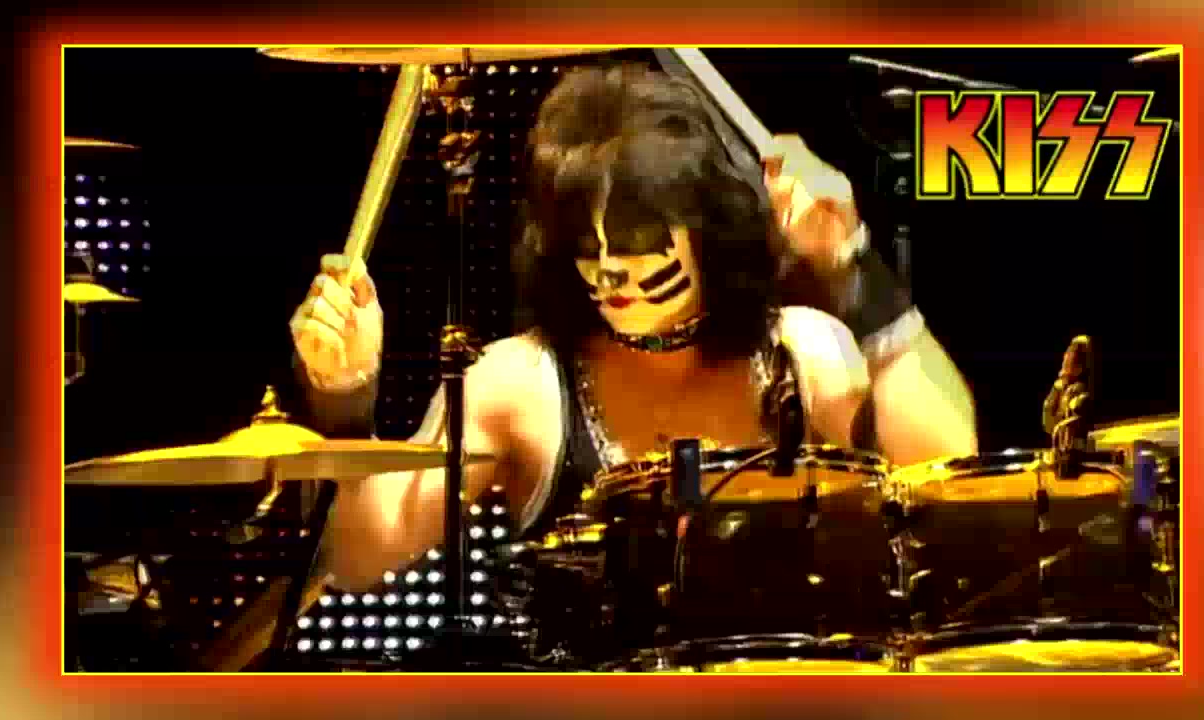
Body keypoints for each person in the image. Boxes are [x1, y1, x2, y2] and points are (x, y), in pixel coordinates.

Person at [289, 64, 977, 590]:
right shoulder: (518, 383)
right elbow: (357, 562)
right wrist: (346, 396)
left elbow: (947, 473)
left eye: (636, 234)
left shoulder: (799, 352)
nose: (611, 265)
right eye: (584, 242)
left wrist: (850, 264)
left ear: (705, 226)